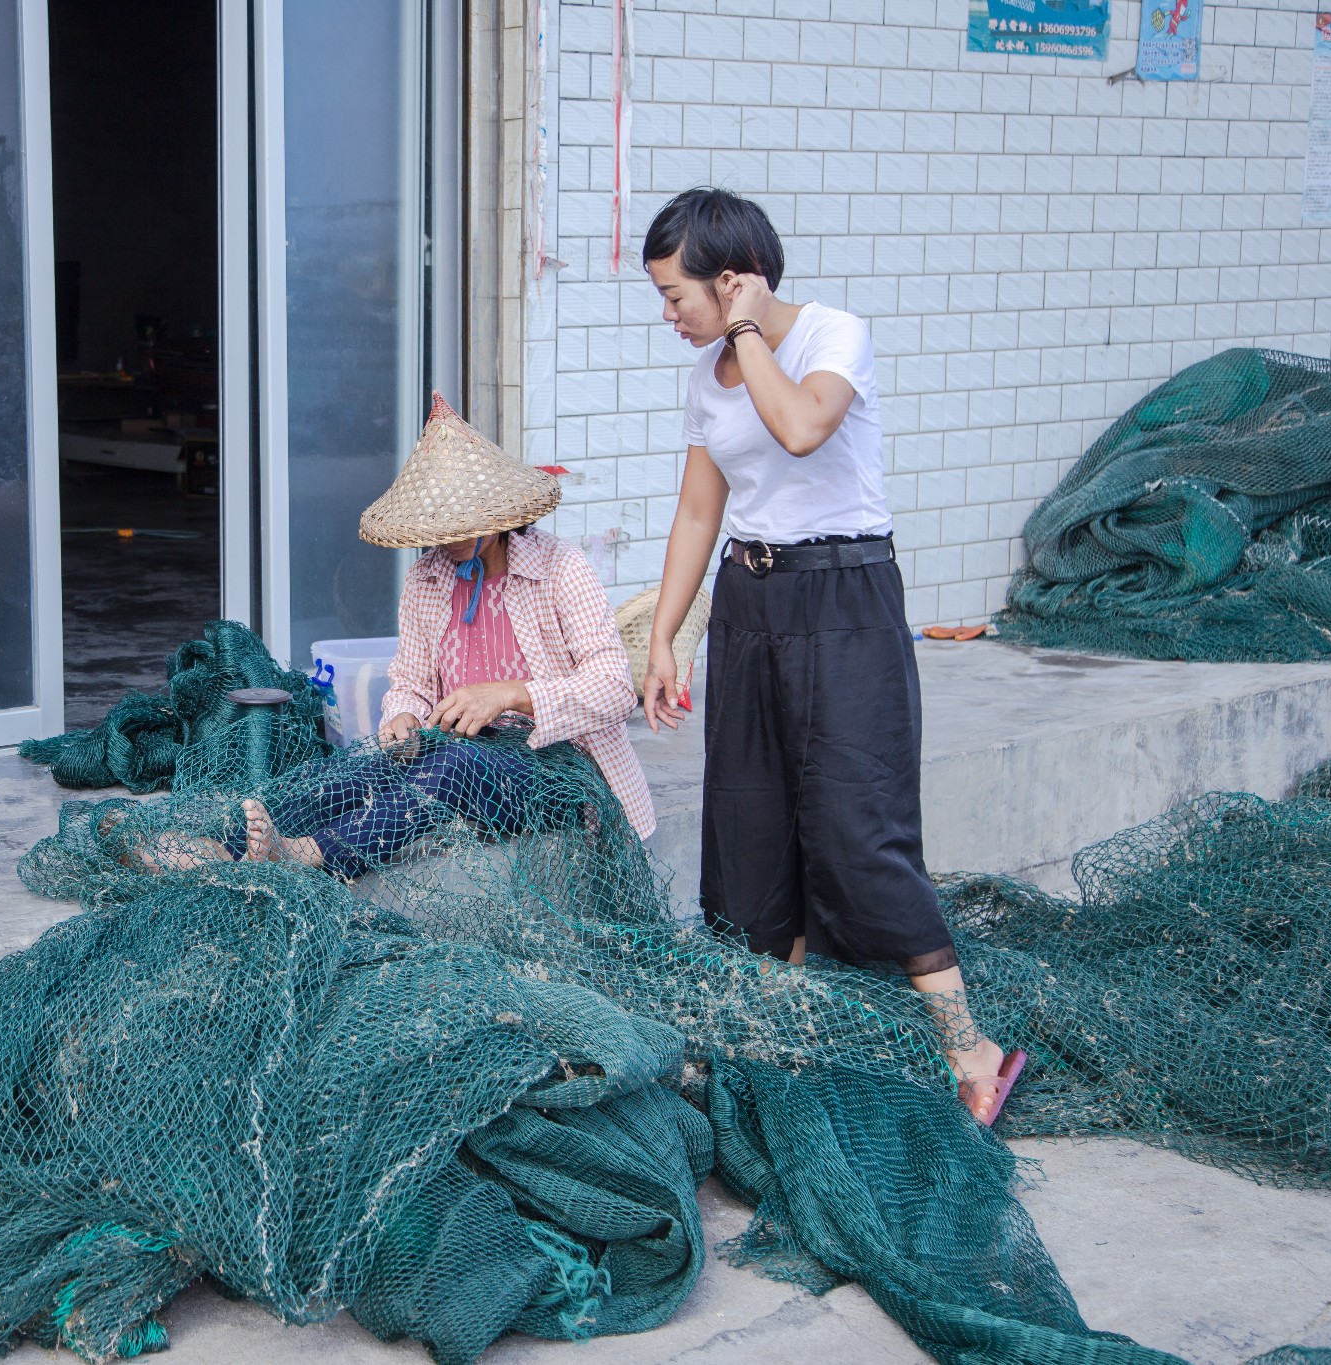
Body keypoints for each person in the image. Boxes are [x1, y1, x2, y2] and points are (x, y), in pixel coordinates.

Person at [633, 188, 1024, 1125]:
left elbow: (802, 426)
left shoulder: (833, 334)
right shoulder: (705, 378)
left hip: (845, 598)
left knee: (858, 821)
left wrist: (747, 333)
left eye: (676, 296)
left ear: (730, 282)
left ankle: (969, 1047)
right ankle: (796, 1039)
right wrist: (662, 634)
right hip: (752, 602)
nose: (667, 316)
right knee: (752, 819)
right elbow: (699, 510)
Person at [230, 395, 656, 874]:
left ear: (498, 517)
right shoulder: (426, 579)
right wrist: (404, 716)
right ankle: (221, 848)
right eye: (437, 526)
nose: (446, 539)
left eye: (460, 524)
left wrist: (509, 695)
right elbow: (409, 680)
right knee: (360, 769)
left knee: (450, 768)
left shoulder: (561, 568)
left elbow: (616, 688)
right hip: (459, 753)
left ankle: (310, 854)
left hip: (558, 774)